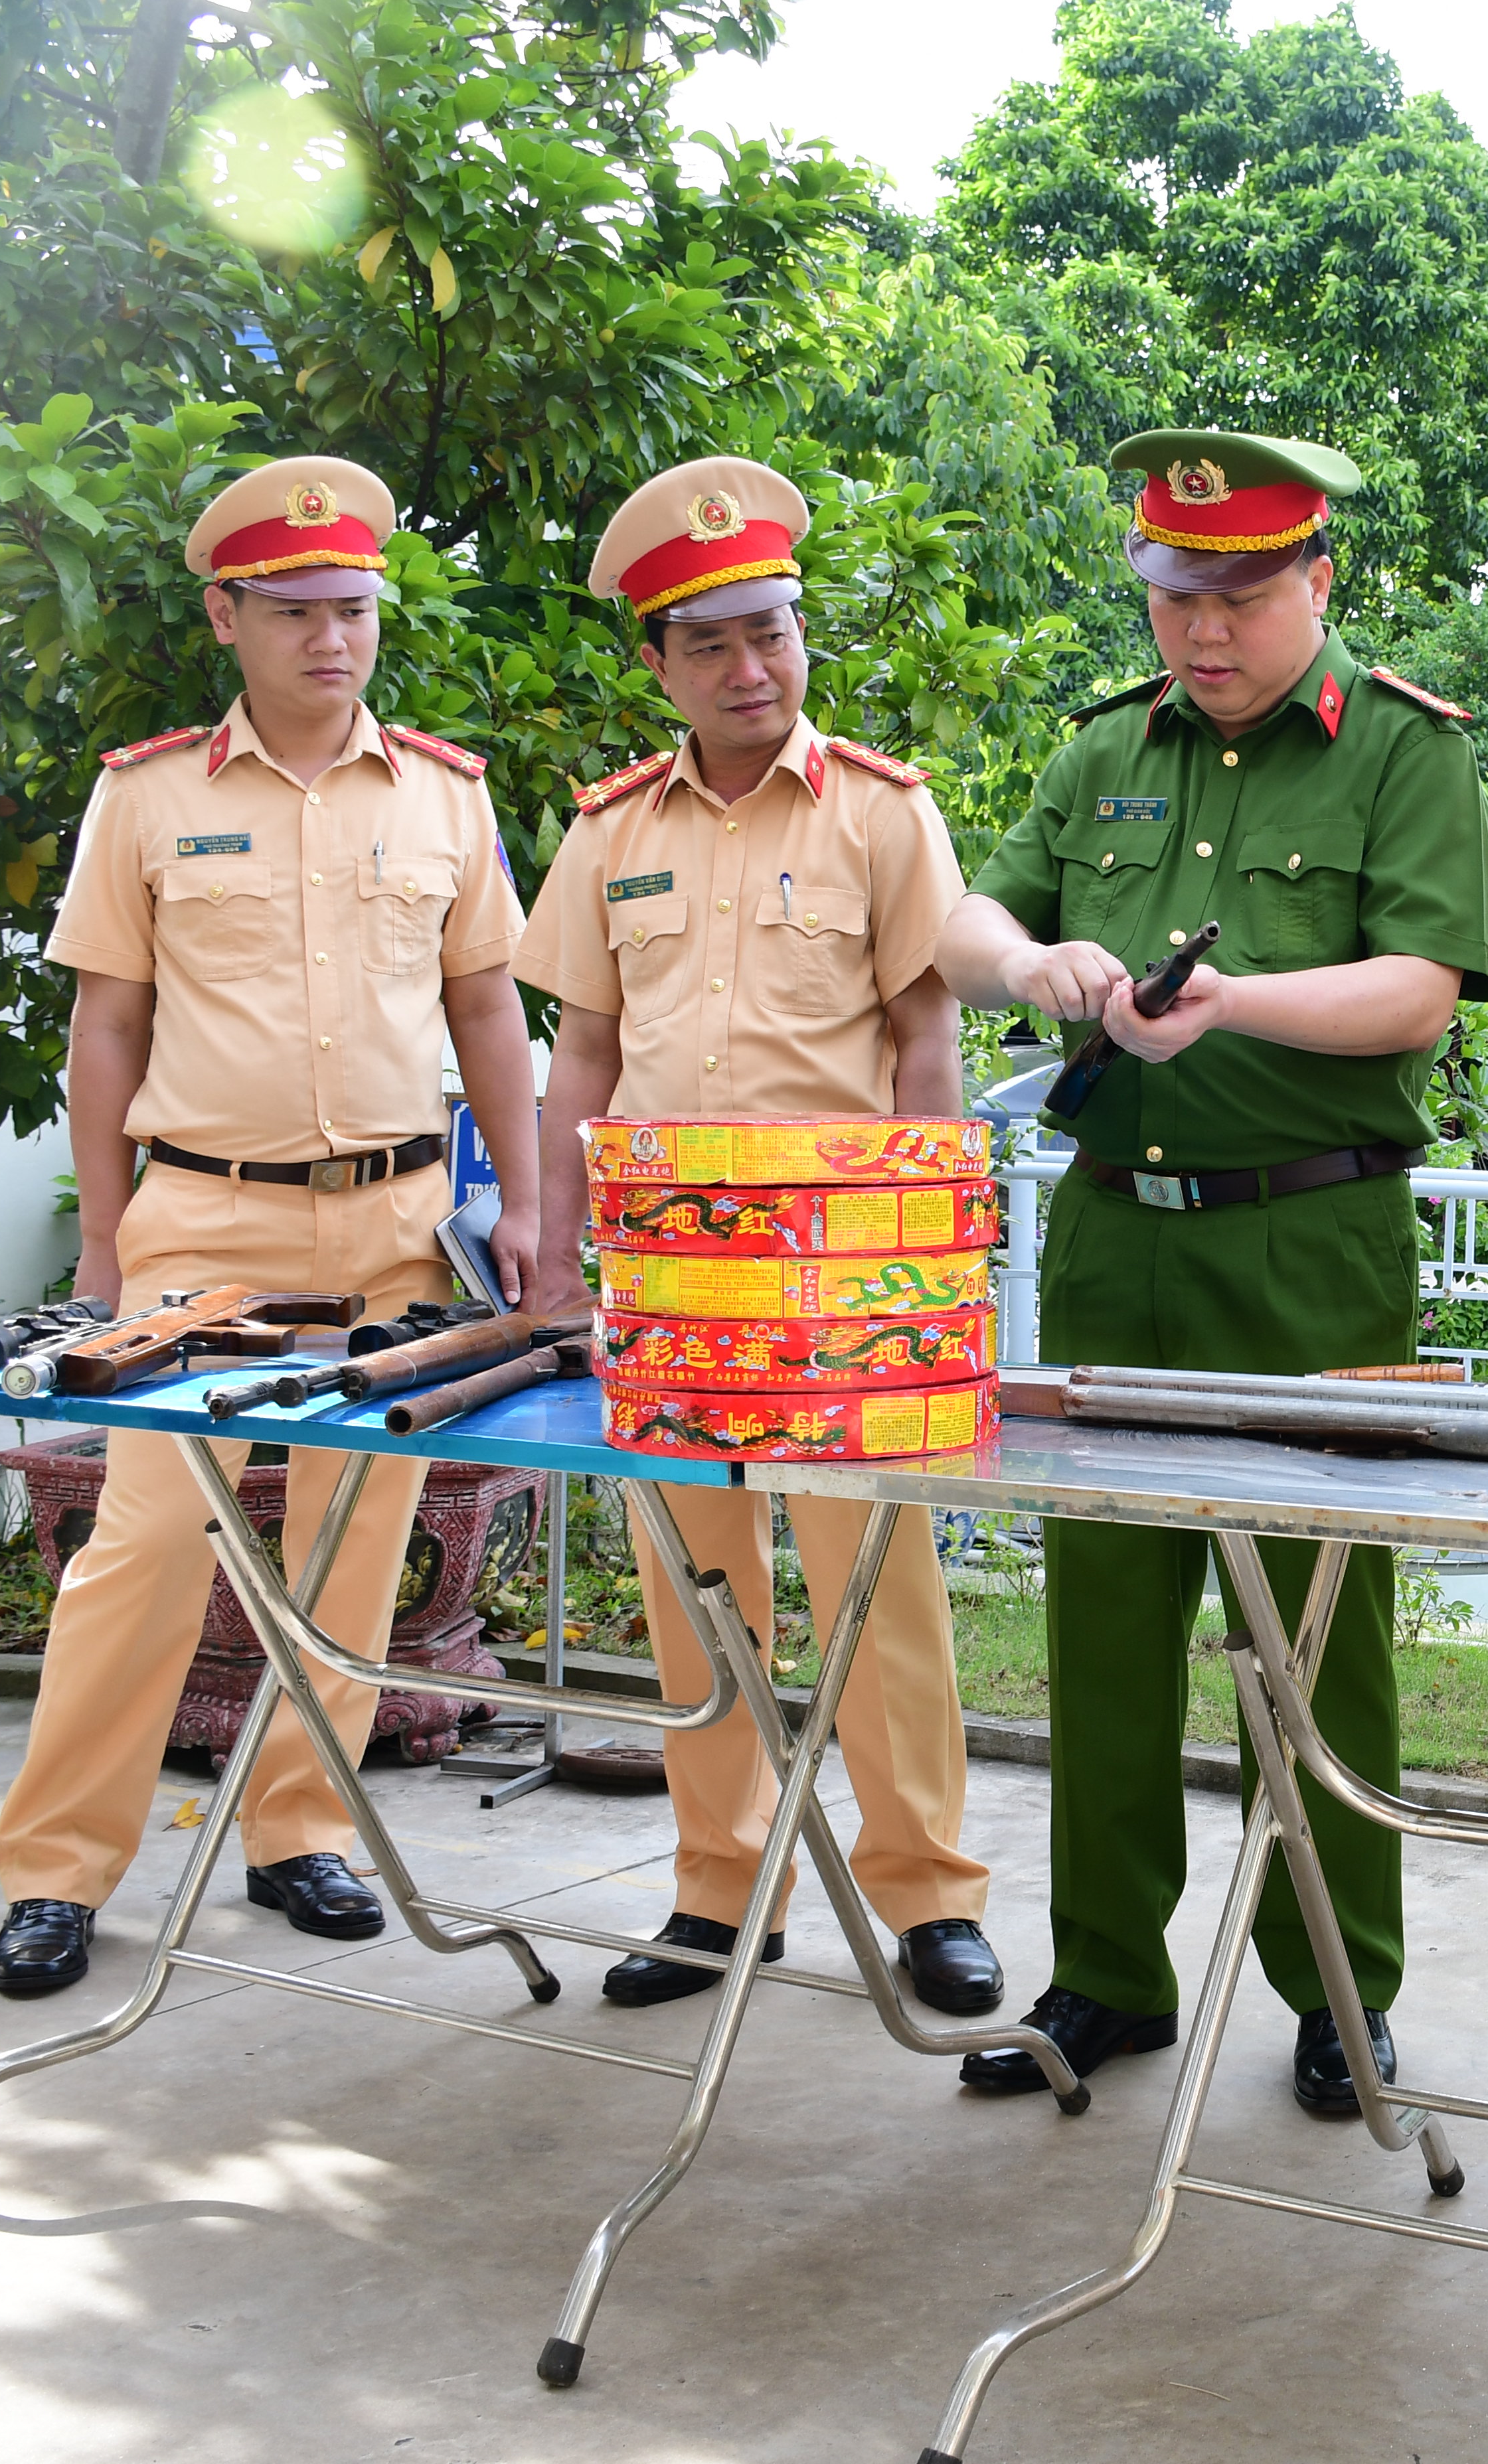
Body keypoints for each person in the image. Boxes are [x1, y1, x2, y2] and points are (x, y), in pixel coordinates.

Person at [936, 429, 1488, 2113]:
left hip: (1309, 1246)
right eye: (1176, 594)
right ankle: (1107, 1972)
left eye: (1242, 595)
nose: (1203, 628)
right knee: (1106, 1620)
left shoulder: (1401, 751)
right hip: (1118, 1237)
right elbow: (965, 925)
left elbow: (1417, 989)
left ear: (1317, 579)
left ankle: (1339, 1985)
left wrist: (1233, 1002)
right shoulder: (1105, 747)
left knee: (1317, 1631)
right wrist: (1038, 963)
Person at [0, 457, 540, 1997]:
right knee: (148, 1543)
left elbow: (489, 1010)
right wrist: (106, 1246)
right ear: (227, 614)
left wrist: (531, 1208)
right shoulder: (148, 795)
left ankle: (302, 1831)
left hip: (398, 1230)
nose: (332, 638)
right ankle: (58, 1870)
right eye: (296, 610)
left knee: (357, 1545)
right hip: (204, 1227)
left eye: (354, 608)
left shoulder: (445, 794)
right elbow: (108, 1027)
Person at [519, 456, 1000, 2018]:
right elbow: (583, 1057)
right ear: (658, 662)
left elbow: (926, 1042)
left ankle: (928, 1893)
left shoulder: (881, 812)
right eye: (713, 643)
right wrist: (556, 1258)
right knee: (695, 1587)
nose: (751, 668)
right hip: (671, 1282)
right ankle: (720, 1890)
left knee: (881, 1588)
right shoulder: (612, 831)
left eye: (774, 634)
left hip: (850, 1284)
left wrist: (935, 1257)